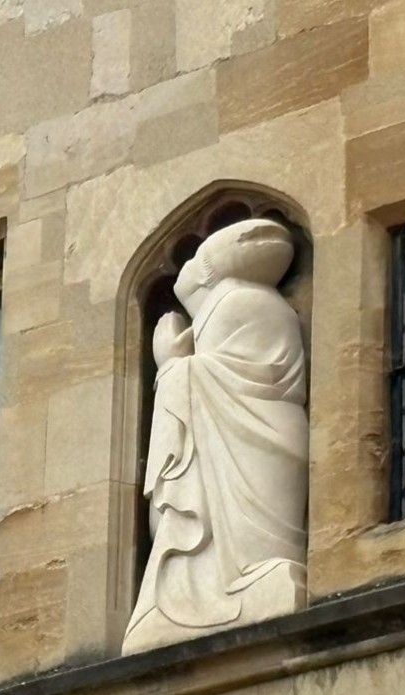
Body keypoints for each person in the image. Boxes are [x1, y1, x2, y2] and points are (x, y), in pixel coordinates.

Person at [124, 217, 308, 654]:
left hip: (254, 440)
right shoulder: (248, 305)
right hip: (258, 436)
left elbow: (210, 379)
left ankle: (218, 594)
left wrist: (169, 363)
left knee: (247, 546)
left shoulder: (236, 304)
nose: (182, 272)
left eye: (192, 261)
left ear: (207, 272)